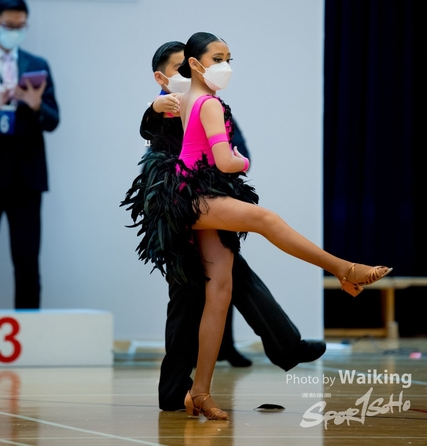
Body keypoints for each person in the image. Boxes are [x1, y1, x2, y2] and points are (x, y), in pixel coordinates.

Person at [123, 32, 392, 421]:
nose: (225, 66)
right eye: (217, 59)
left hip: (200, 193)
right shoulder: (196, 102)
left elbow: (202, 140)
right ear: (188, 68)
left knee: (222, 289)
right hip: (186, 198)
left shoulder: (194, 100)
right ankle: (343, 269)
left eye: (228, 59)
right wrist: (239, 159)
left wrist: (224, 154)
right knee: (263, 223)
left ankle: (201, 391)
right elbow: (214, 155)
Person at [138, 41, 327, 411]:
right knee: (191, 294)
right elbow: (150, 125)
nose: (187, 74)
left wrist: (232, 163)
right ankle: (179, 387)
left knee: (227, 281)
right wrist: (155, 107)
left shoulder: (210, 101)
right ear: (161, 78)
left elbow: (231, 148)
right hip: (180, 212)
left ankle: (275, 347)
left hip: (211, 201)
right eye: (178, 69)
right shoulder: (164, 106)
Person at [0, 0, 59, 309]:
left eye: (20, 26)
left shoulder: (37, 65)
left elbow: (53, 120)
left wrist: (36, 106)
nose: (15, 31)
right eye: (8, 26)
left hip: (26, 178)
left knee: (27, 260)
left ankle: (30, 329)